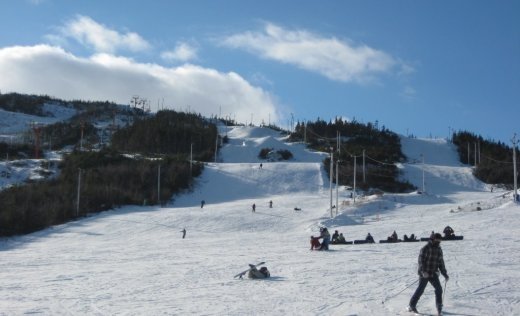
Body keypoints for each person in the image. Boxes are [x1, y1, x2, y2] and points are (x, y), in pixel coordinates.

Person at [408, 233, 449, 315]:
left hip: (433, 273)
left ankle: (439, 305)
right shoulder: (425, 248)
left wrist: (444, 273)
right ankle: (412, 305)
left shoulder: (439, 249)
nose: (439, 242)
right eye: (437, 240)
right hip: (425, 273)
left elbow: (441, 262)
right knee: (420, 289)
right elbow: (421, 261)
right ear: (433, 239)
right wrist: (423, 272)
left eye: (440, 240)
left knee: (439, 289)